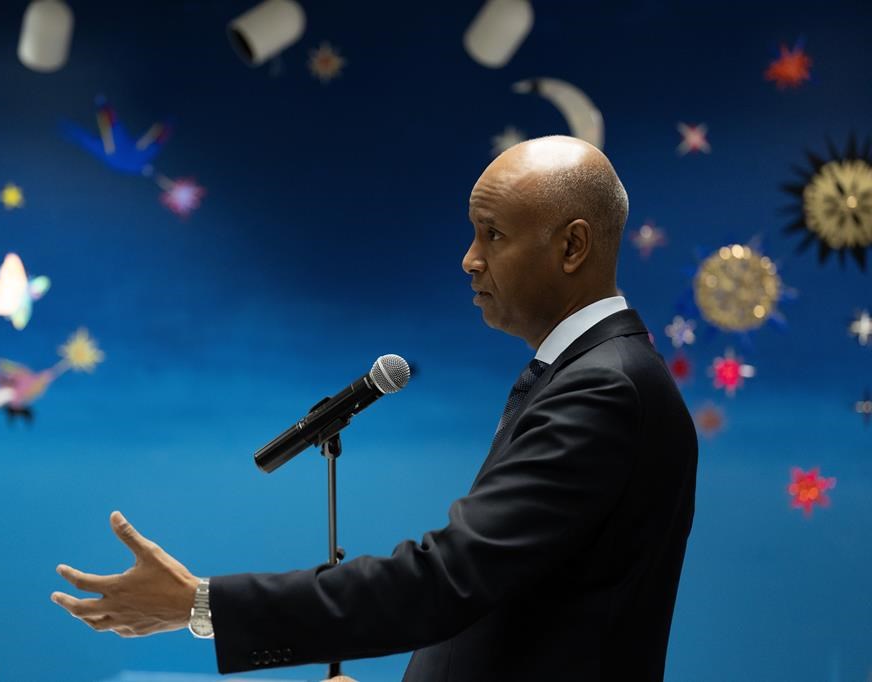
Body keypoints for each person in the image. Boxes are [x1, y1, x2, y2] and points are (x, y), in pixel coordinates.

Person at [51, 135, 698, 681]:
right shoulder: (588, 374)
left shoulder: (605, 390)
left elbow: (447, 581)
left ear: (572, 246)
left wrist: (199, 605)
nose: (469, 259)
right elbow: (513, 604)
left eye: (493, 235)